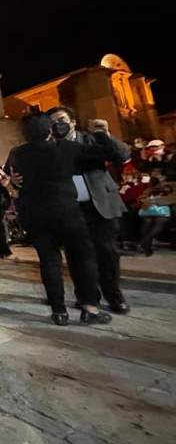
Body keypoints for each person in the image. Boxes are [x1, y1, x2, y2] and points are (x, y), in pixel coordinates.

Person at [8, 114, 115, 326]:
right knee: (83, 257)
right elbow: (109, 153)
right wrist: (101, 133)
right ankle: (90, 307)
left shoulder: (17, 153)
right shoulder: (66, 148)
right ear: (50, 130)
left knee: (49, 260)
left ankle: (59, 311)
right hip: (65, 210)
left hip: (34, 213)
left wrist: (13, 180)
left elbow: (13, 177)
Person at [46, 107, 131, 314]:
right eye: (53, 122)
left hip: (99, 205)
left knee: (107, 252)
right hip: (70, 209)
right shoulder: (49, 148)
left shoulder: (92, 139)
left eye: (62, 119)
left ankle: (114, 295)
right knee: (76, 255)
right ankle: (87, 297)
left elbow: (122, 155)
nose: (58, 124)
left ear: (73, 121)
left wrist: (105, 134)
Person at [137, 181, 174, 256]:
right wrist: (147, 200)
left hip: (161, 213)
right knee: (147, 222)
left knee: (157, 224)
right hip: (151, 212)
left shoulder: (171, 195)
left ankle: (144, 243)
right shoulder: (150, 191)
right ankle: (146, 247)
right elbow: (141, 199)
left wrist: (155, 201)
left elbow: (170, 200)